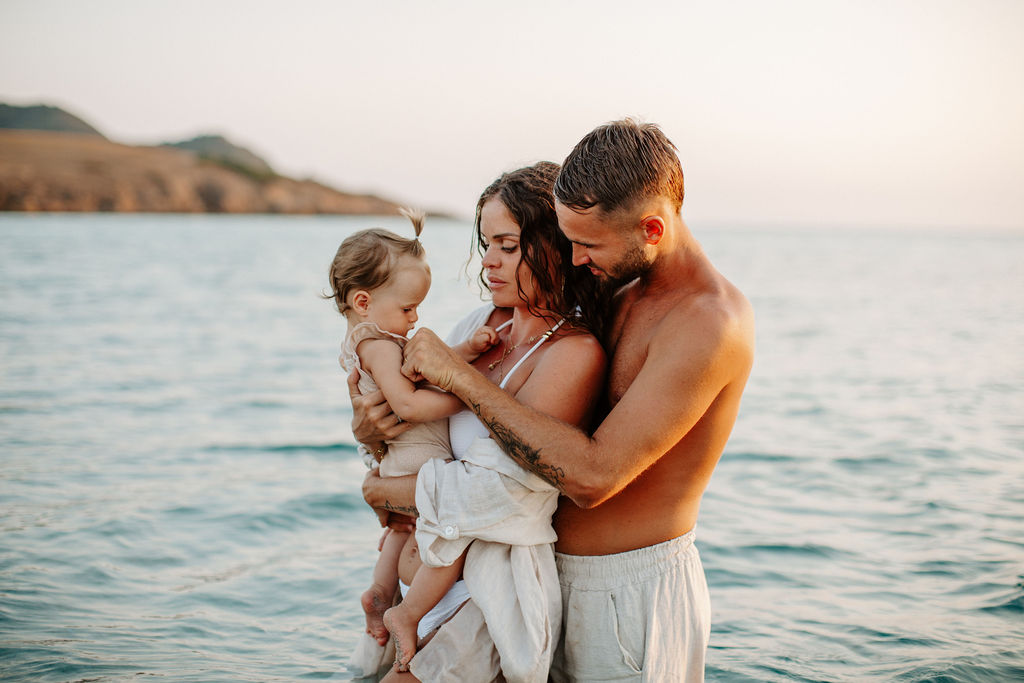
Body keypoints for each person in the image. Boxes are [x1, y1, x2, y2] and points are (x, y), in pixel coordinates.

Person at [391, 119, 755, 681]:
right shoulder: (620, 286)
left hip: (631, 594)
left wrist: (460, 380)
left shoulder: (707, 322)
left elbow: (593, 477)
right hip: (547, 574)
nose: (575, 257)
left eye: (585, 244)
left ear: (652, 229)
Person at [354, 162, 608, 681]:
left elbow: (502, 491)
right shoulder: (479, 325)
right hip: (419, 584)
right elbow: (417, 428)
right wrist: (369, 433)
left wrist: (382, 492)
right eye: (485, 243)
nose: (488, 262)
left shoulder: (571, 354)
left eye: (508, 247)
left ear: (555, 245)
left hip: (483, 603)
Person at [326, 209, 500, 666]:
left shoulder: (380, 338)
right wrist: (470, 395)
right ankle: (410, 610)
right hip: (416, 461)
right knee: (455, 535)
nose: (415, 317)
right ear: (363, 302)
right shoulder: (377, 343)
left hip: (400, 461)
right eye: (407, 308)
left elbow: (423, 368)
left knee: (402, 530)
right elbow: (408, 403)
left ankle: (381, 593)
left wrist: (463, 353)